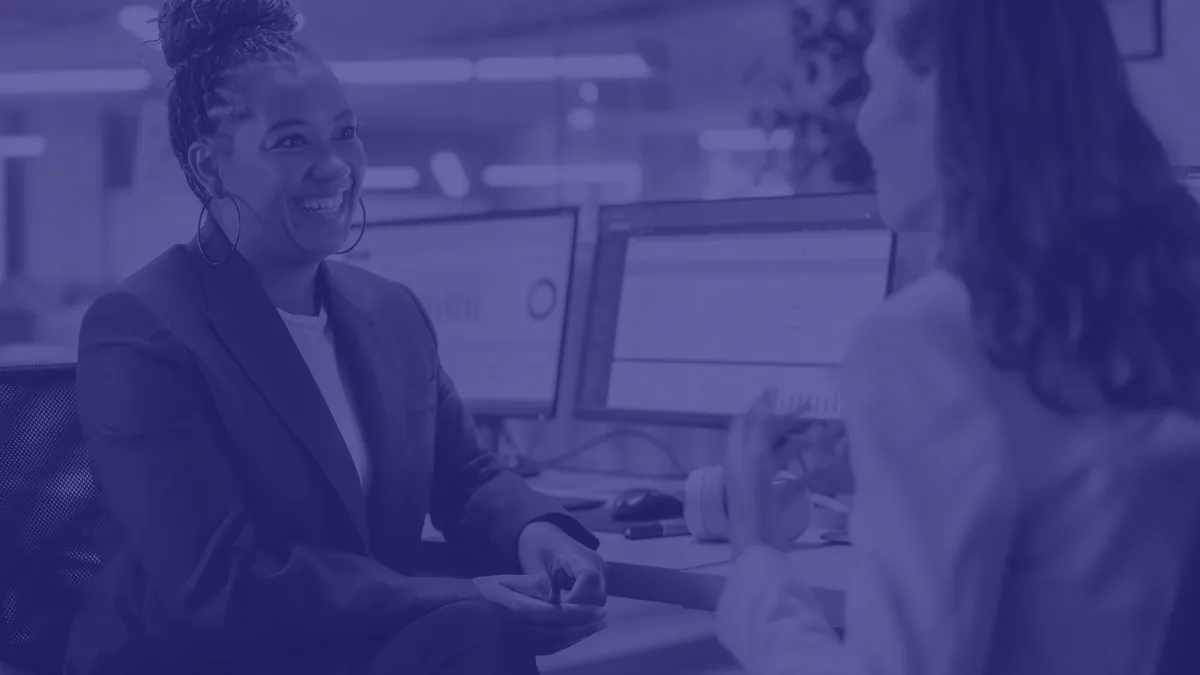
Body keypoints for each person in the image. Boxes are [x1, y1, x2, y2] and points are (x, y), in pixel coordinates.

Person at [63, 1, 607, 674]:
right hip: (205, 658)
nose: (336, 166)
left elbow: (464, 475)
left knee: (478, 631)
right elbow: (220, 582)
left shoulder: (391, 312)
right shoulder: (143, 328)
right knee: (474, 624)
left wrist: (538, 531)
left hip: (343, 649)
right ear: (210, 168)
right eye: (291, 141)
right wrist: (456, 591)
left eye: (345, 132)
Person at [716, 0, 1200, 673]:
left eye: (872, 83)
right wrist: (885, 478)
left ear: (944, 90)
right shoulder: (1164, 295)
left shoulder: (927, 340)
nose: (862, 124)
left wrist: (756, 557)